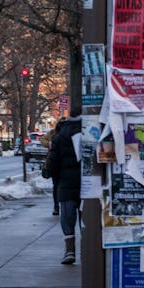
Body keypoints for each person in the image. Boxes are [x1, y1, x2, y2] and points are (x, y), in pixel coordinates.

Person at [47, 109, 82, 264]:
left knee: (67, 219)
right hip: (86, 186)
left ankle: (69, 250)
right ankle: (88, 250)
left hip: (66, 185)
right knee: (86, 219)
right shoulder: (91, 133)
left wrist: (49, 173)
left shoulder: (59, 137)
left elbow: (52, 164)